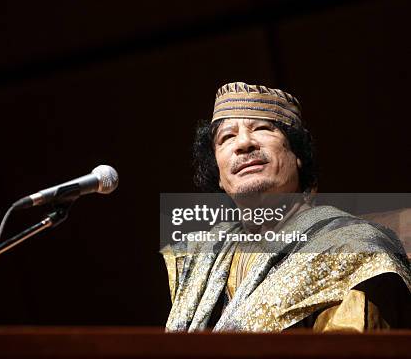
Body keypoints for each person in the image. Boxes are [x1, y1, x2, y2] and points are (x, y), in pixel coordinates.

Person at [162, 82, 411, 332]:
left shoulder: (352, 249)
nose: (244, 144)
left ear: (297, 154)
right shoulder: (202, 261)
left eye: (262, 128)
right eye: (227, 137)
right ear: (217, 173)